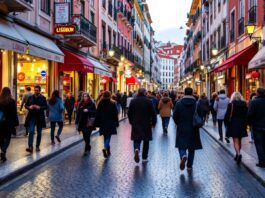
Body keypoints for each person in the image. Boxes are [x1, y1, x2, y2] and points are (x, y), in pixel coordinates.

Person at [173, 87, 203, 171]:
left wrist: (178, 123)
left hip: (182, 127)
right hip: (193, 128)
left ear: (184, 93)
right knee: (192, 148)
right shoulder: (197, 104)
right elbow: (201, 116)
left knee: (181, 145)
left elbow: (175, 116)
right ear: (192, 93)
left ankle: (183, 156)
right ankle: (189, 166)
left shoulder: (179, 103)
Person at [128, 88, 157, 163]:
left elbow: (129, 113)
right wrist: (154, 123)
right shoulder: (149, 101)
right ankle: (144, 157)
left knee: (136, 139)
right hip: (146, 123)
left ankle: (136, 149)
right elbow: (153, 113)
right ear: (145, 93)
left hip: (136, 123)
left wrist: (131, 121)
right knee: (146, 141)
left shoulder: (133, 101)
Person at [224, 92, 248, 164]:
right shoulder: (244, 105)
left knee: (235, 140)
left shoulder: (231, 104)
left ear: (233, 97)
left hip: (233, 123)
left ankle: (238, 154)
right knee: (239, 140)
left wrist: (226, 123)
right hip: (242, 124)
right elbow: (247, 114)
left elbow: (227, 116)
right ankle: (238, 153)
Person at [95, 91, 119, 158]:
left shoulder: (100, 103)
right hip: (110, 122)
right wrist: (116, 122)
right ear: (110, 95)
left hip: (103, 122)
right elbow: (115, 114)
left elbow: (97, 114)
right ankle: (105, 148)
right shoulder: (113, 103)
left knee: (105, 136)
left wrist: (97, 123)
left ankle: (108, 150)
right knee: (108, 137)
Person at [25, 85, 48, 153]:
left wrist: (40, 107)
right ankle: (30, 146)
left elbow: (46, 107)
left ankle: (37, 146)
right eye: (35, 90)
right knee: (31, 131)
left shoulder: (43, 98)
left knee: (39, 132)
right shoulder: (30, 97)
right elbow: (25, 105)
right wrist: (29, 107)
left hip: (40, 117)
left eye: (37, 90)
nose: (36, 91)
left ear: (39, 91)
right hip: (31, 116)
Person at [247, 88, 265, 168]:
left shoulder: (254, 102)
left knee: (259, 144)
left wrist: (249, 124)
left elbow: (249, 114)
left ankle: (262, 162)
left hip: (257, 126)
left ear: (257, 93)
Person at [0, 87, 19, 162]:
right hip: (9, 123)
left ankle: (3, 152)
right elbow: (14, 113)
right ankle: (3, 151)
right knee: (7, 138)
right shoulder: (12, 101)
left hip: (1, 122)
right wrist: (16, 123)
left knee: (1, 138)